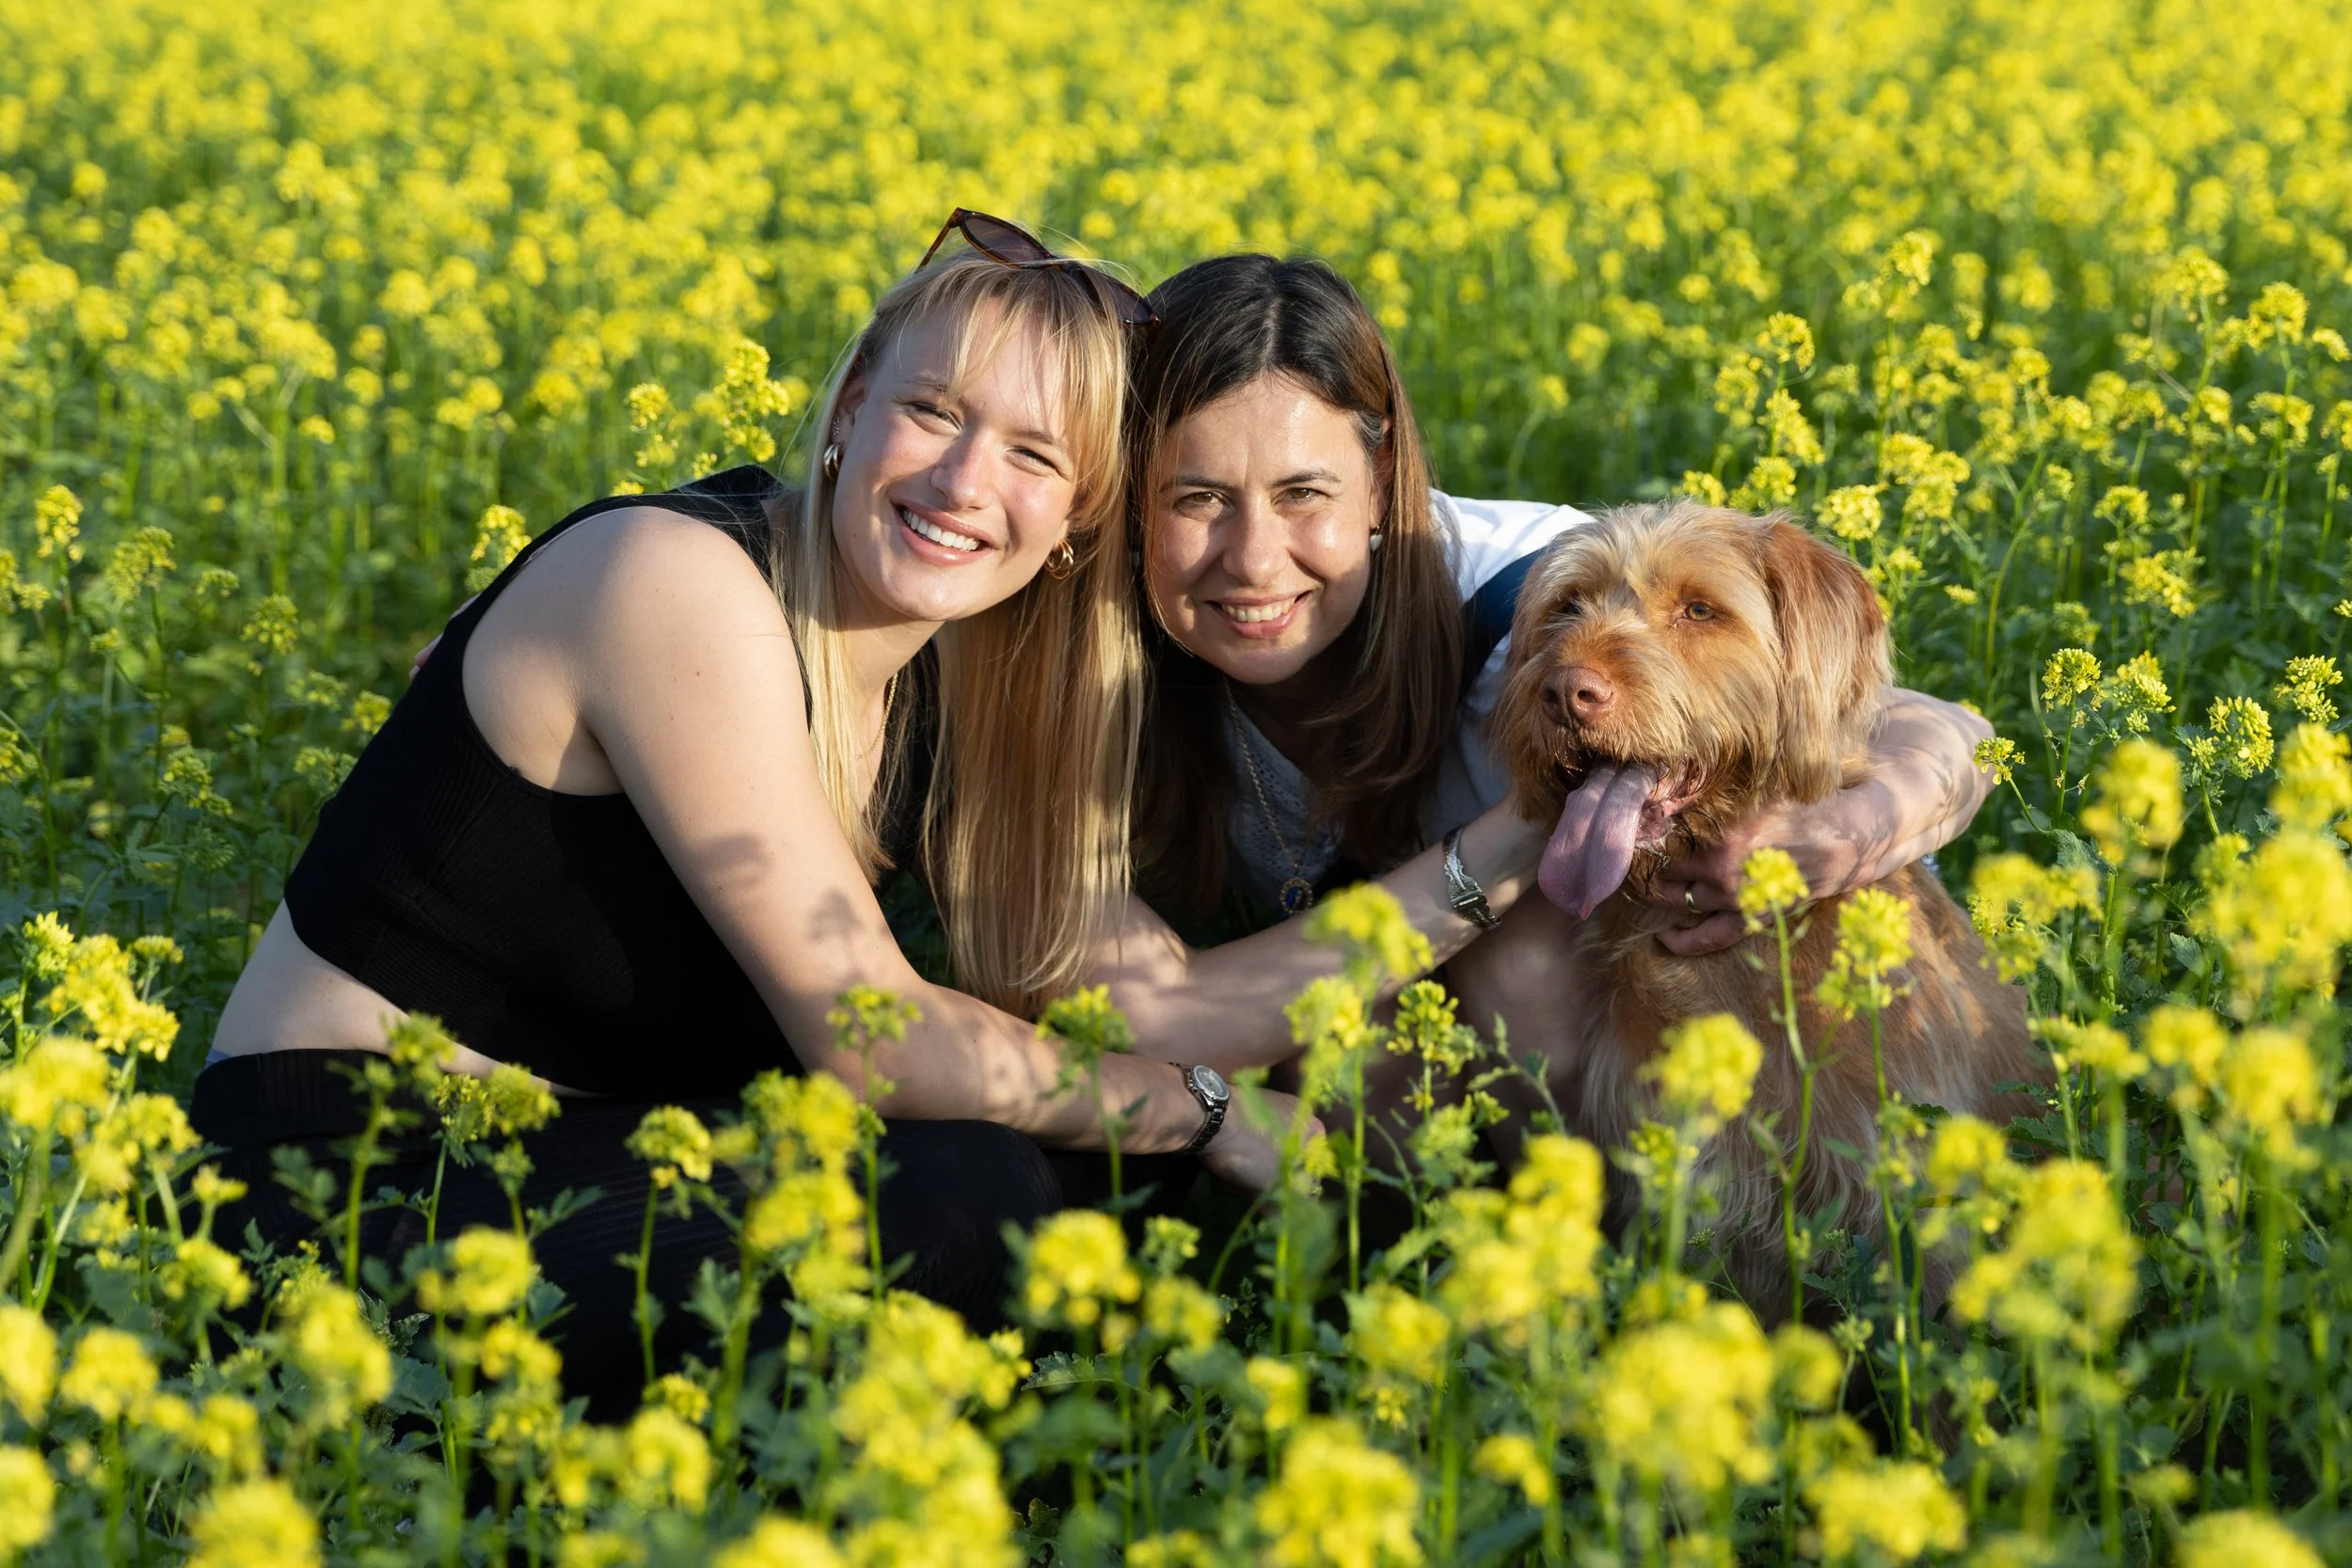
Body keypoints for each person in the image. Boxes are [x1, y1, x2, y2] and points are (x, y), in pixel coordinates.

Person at [197, 214, 1295, 1413]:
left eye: (1035, 453)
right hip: (347, 1199)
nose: (963, 482)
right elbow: (875, 1040)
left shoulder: (935, 688)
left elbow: (1160, 995)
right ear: (855, 404)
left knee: (1081, 1171)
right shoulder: (681, 583)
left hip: (604, 1163)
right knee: (968, 1188)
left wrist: (1496, 855)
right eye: (934, 411)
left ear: (1081, 510)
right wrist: (1203, 1108)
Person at [1106, 254, 1994, 1107]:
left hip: (1547, 1016)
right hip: (1333, 1029)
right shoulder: (1092, 650)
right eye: (1198, 497)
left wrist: (1851, 829)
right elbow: (1133, 1011)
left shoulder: (1517, 583)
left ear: (1380, 485)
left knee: (1519, 957)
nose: (1257, 558)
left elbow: (1927, 727)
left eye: (1305, 492)